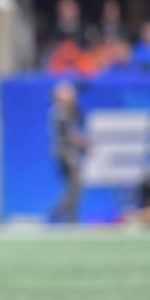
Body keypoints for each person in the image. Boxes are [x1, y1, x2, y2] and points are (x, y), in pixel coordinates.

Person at [49, 80, 88, 223]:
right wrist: (86, 145)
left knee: (75, 186)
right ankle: (60, 213)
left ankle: (69, 215)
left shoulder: (70, 111)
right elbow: (70, 135)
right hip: (66, 153)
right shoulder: (59, 112)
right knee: (76, 184)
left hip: (67, 152)